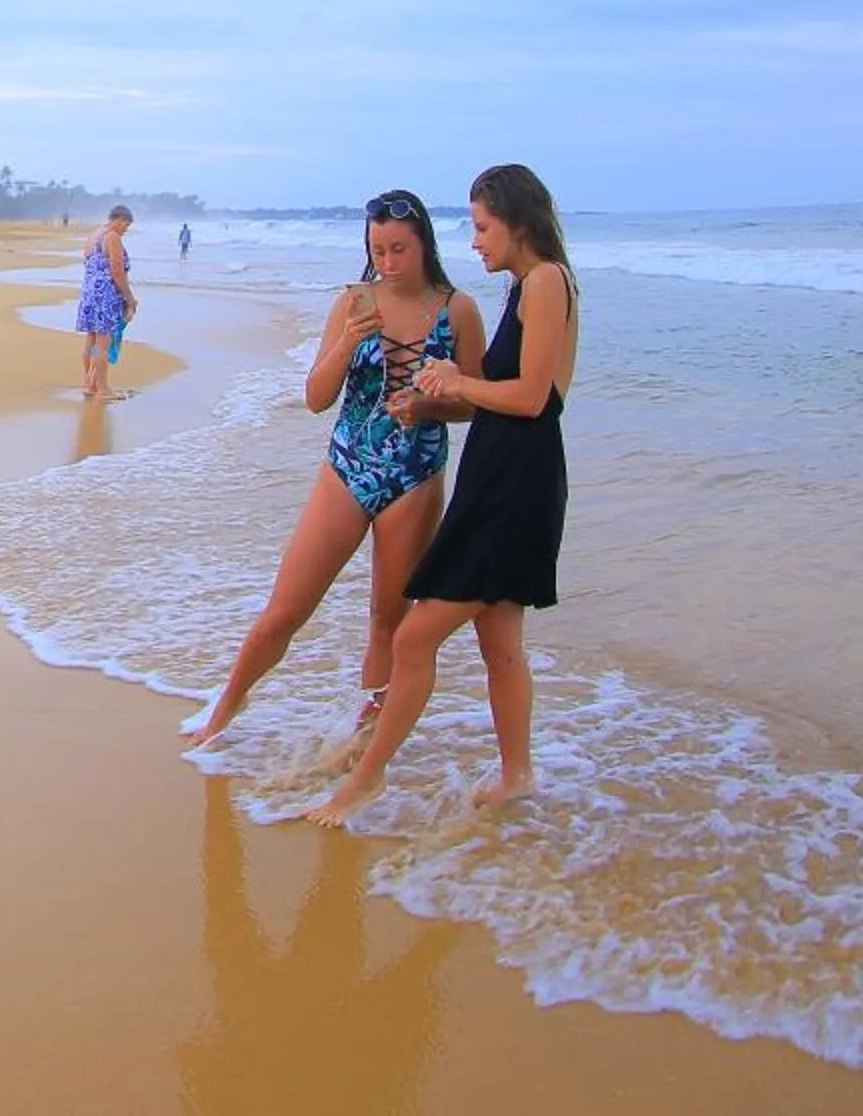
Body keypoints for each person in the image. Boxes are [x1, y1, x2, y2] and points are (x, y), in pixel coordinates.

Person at [307, 165, 579, 829]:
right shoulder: (529, 284)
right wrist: (436, 400)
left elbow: (534, 399)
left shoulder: (544, 281)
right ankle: (518, 776)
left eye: (484, 227)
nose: (476, 240)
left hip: (514, 486)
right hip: (509, 475)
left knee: (414, 638)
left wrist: (455, 382)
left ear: (519, 224)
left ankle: (365, 781)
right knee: (500, 642)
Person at [183, 193, 485, 749]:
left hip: (415, 473)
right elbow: (316, 397)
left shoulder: (457, 310)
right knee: (286, 608)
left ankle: (365, 736)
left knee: (387, 620)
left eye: (399, 249)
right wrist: (349, 341)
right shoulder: (353, 303)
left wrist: (426, 405)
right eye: (378, 250)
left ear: (424, 245)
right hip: (347, 465)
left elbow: (473, 403)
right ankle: (225, 708)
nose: (388, 262)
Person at [76, 205, 137, 400]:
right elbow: (117, 271)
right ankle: (102, 390)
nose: (125, 230)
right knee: (103, 344)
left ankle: (89, 384)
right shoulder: (112, 237)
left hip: (90, 291)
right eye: (125, 226)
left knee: (92, 341)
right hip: (107, 294)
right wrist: (130, 299)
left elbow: (90, 264)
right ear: (119, 219)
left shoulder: (94, 235)